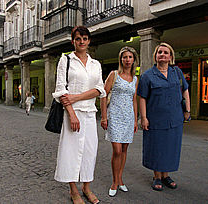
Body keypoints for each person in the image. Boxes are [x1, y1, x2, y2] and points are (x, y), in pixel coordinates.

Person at [52, 26, 106, 204]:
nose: (81, 42)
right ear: (73, 41)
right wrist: (72, 114)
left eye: (84, 38)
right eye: (78, 39)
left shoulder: (95, 64)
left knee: (90, 152)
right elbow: (60, 90)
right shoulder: (65, 60)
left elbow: (99, 89)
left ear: (89, 41)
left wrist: (77, 97)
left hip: (90, 113)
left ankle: (87, 187)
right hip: (71, 114)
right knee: (71, 152)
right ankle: (73, 190)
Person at [137, 42, 190, 191]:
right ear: (155, 56)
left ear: (170, 56)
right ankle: (157, 177)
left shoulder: (177, 72)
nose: (162, 54)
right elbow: (142, 98)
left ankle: (166, 176)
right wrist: (144, 117)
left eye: (166, 52)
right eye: (160, 52)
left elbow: (185, 91)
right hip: (155, 119)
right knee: (157, 147)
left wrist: (188, 111)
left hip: (175, 118)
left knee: (170, 148)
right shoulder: (147, 75)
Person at [100, 46, 139, 197]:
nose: (127, 60)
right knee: (116, 150)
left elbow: (134, 100)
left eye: (130, 57)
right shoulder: (114, 74)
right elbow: (104, 95)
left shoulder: (135, 79)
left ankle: (120, 179)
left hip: (128, 117)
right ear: (121, 59)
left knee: (124, 150)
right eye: (124, 57)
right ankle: (114, 181)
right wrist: (104, 117)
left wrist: (136, 120)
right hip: (115, 117)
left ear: (134, 59)